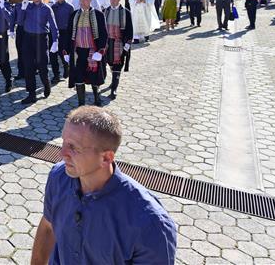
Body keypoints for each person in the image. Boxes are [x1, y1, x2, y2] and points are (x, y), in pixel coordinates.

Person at [30, 106, 177, 265]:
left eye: (74, 147)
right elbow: (48, 227)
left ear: (106, 158)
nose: (61, 153)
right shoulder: (59, 177)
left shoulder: (151, 223)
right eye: (64, 142)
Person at [16, 0, 59, 104]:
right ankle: (31, 93)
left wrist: (55, 41)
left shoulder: (46, 8)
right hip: (28, 38)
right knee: (28, 67)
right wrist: (23, 9)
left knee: (42, 66)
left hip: (41, 39)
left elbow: (53, 26)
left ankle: (46, 84)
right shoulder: (27, 7)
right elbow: (19, 22)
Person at [67, 0, 108, 107]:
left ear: (90, 0)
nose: (83, 2)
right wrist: (65, 51)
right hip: (78, 52)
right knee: (78, 76)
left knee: (94, 76)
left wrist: (100, 51)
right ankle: (81, 103)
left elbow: (104, 34)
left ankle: (97, 98)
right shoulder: (74, 15)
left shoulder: (99, 15)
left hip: (93, 50)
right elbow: (69, 33)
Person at [103, 0, 133, 100]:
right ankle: (113, 80)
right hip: (107, 43)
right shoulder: (105, 11)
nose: (112, 1)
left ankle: (114, 89)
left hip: (119, 44)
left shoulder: (126, 12)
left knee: (117, 66)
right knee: (110, 64)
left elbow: (130, 30)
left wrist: (127, 45)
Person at [49, 0, 74, 84]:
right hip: (54, 32)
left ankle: (66, 66)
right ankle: (56, 75)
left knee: (63, 53)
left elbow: (72, 22)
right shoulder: (53, 6)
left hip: (65, 33)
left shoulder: (69, 7)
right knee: (53, 54)